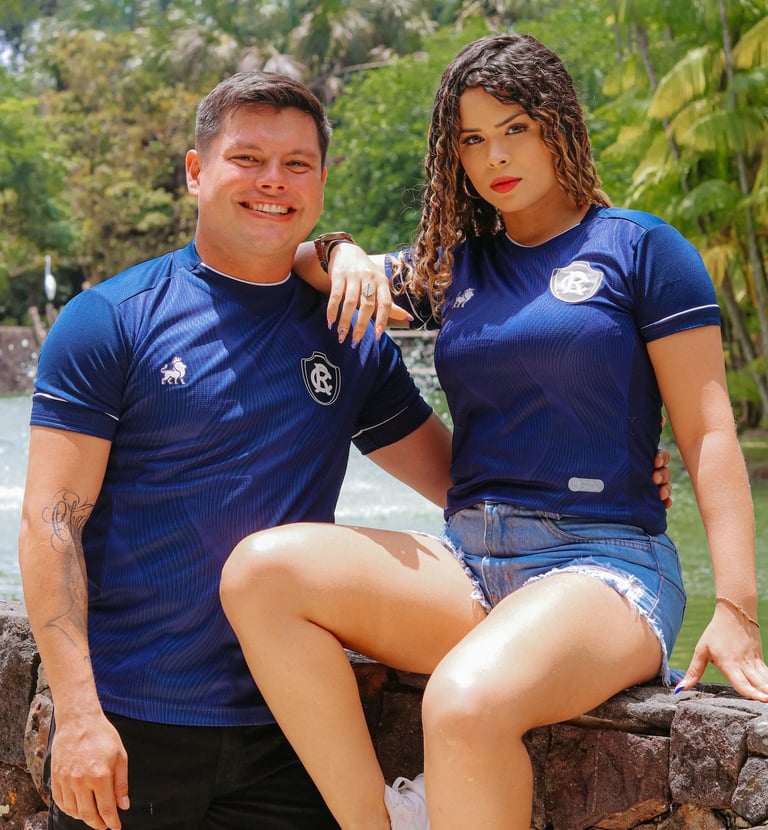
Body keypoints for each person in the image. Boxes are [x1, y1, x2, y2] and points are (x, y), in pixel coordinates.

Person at [219, 33, 768, 830]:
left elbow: (709, 434)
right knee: (260, 573)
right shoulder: (455, 267)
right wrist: (344, 254)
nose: (495, 157)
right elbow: (303, 260)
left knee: (464, 702)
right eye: (471, 139)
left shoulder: (642, 249)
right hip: (470, 563)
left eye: (515, 129)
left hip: (604, 567)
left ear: (559, 125)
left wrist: (738, 609)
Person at [18, 71, 461, 830]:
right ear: (196, 172)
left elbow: (462, 485)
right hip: (132, 726)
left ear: (321, 182)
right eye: (247, 159)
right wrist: (79, 715)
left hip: (290, 737)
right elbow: (49, 525)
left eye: (296, 164)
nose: (272, 181)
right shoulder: (110, 320)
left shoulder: (348, 333)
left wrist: (608, 486)